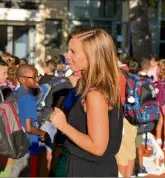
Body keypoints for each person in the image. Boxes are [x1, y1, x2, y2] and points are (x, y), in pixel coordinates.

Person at [50, 27, 123, 177]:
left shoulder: (95, 94)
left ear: (92, 56)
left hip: (88, 169)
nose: (67, 56)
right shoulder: (99, 87)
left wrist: (63, 125)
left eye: (73, 52)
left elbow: (98, 147)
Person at [10, 64, 47, 177]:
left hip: (16, 139)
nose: (37, 79)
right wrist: (42, 133)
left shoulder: (16, 93)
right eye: (34, 77)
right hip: (26, 143)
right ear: (22, 79)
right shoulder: (29, 98)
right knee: (22, 172)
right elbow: (29, 127)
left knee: (16, 170)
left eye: (38, 76)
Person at [116, 59, 138, 178]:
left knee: (122, 151)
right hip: (132, 115)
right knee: (130, 148)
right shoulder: (128, 72)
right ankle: (128, 175)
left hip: (123, 116)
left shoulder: (118, 75)